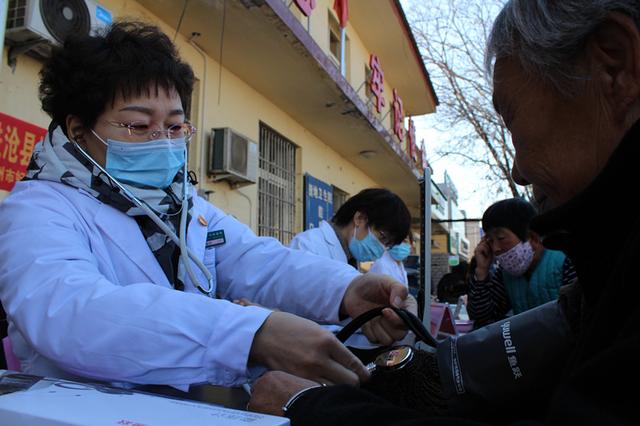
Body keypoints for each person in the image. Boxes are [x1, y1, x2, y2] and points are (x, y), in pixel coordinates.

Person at [247, 1, 640, 424]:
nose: (518, 171)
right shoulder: (608, 263)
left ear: (614, 68)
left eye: (511, 120)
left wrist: (313, 409)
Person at [0, 21, 414, 389]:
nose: (163, 141)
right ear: (77, 130)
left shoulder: (184, 207)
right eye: (140, 125)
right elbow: (71, 315)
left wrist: (346, 291)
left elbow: (259, 262)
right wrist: (249, 335)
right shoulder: (38, 209)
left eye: (175, 125)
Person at [468, 198, 576, 327]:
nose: (495, 248)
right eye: (490, 240)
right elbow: (482, 318)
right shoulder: (503, 275)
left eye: (501, 238)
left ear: (533, 238)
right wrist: (482, 271)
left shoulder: (566, 261)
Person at [289, 188, 411, 268]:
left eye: (388, 245)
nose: (381, 249)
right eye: (382, 237)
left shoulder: (350, 257)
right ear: (359, 218)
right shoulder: (308, 247)